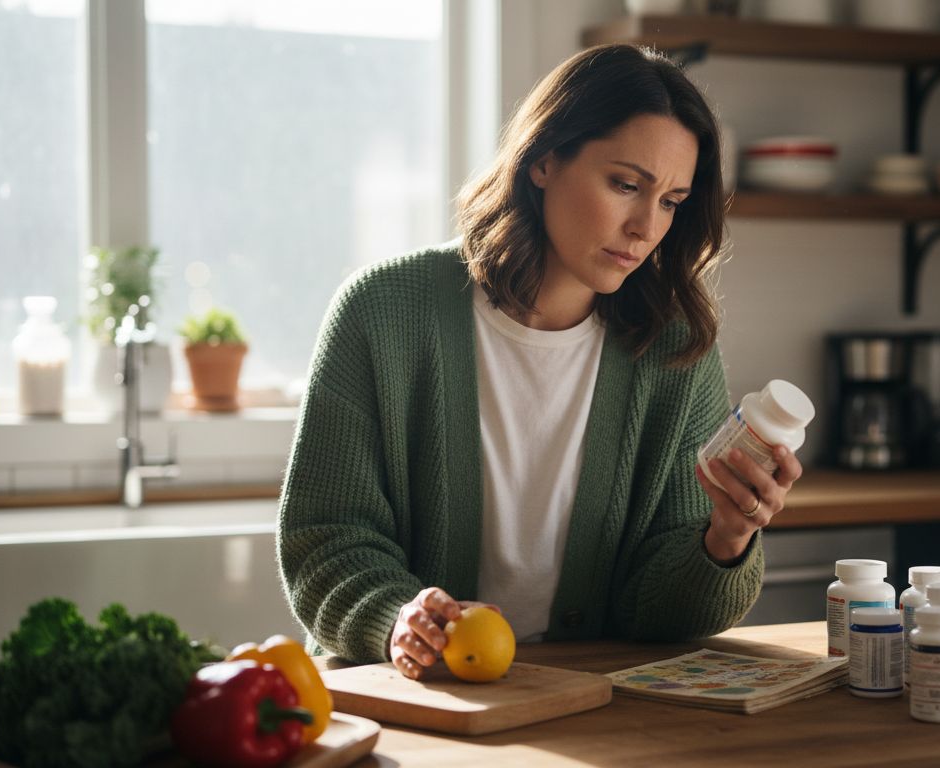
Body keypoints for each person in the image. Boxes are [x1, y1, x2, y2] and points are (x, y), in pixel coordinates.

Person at [277, 43, 804, 680]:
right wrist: (397, 617)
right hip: (419, 695)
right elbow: (325, 539)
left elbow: (658, 614)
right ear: (544, 161)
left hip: (589, 702)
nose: (645, 226)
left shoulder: (675, 347)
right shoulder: (382, 312)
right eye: (626, 185)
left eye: (670, 201)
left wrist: (723, 540)